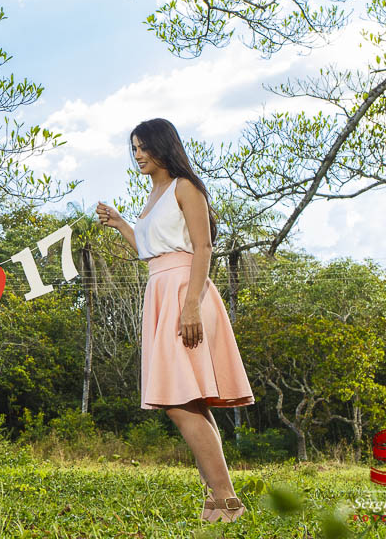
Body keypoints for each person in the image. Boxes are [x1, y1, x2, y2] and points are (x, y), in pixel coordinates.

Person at [96, 118, 253, 524]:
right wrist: (121, 224)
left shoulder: (186, 187)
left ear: (164, 146)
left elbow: (202, 247)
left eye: (144, 146)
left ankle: (227, 498)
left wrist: (191, 305)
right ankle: (217, 501)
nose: (138, 155)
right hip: (160, 291)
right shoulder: (153, 195)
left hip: (186, 292)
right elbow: (151, 250)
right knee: (190, 400)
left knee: (179, 402)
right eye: (133, 149)